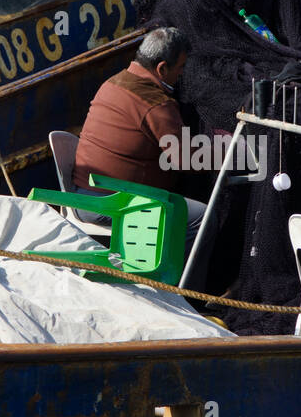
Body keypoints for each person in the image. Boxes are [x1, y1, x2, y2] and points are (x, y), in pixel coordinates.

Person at [72, 25, 207, 257]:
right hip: (108, 203)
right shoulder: (155, 103)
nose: (182, 74)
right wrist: (229, 151)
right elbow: (187, 160)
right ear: (162, 68)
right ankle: (179, 289)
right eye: (181, 67)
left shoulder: (113, 83)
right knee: (200, 217)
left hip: (81, 196)